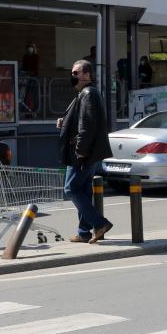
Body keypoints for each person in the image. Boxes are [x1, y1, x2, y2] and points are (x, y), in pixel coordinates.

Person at [57, 60, 113, 244]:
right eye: (72, 73)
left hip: (82, 154)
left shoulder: (88, 93)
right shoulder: (85, 94)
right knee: (83, 190)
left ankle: (100, 223)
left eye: (76, 73)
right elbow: (80, 121)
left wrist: (80, 153)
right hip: (87, 152)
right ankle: (83, 232)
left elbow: (87, 126)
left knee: (70, 189)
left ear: (87, 75)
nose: (72, 76)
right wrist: (64, 122)